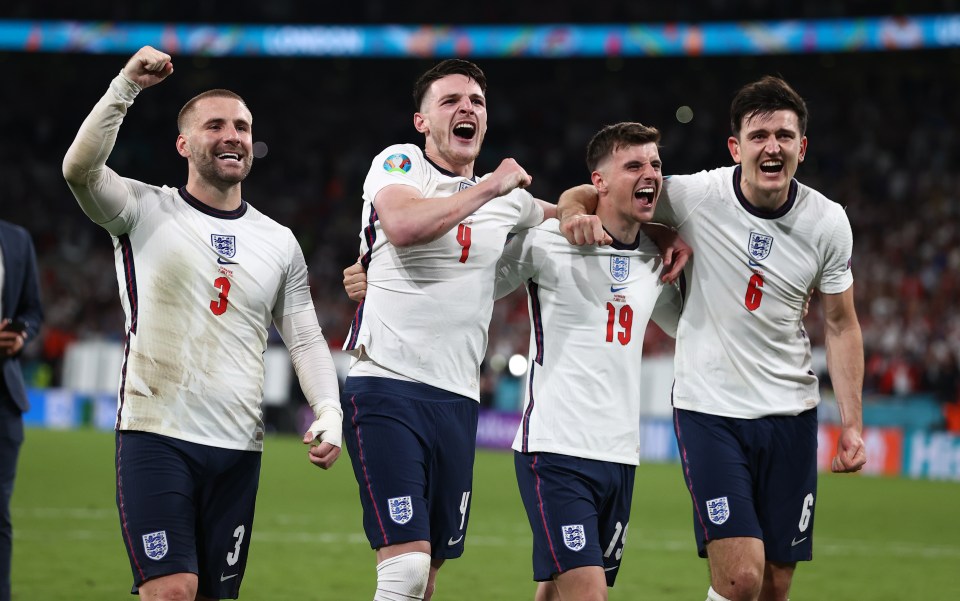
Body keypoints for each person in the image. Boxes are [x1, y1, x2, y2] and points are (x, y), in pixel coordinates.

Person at [557, 76, 866, 601]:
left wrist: (853, 424)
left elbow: (841, 324)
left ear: (802, 148)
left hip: (791, 412)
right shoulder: (698, 195)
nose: (773, 147)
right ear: (736, 147)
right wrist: (571, 212)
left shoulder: (828, 222)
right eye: (759, 135)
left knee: (775, 581)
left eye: (785, 137)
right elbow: (602, 190)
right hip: (710, 410)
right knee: (740, 576)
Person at [62, 46, 342, 601]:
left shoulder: (278, 241)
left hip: (239, 448)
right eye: (215, 125)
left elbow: (305, 336)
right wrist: (126, 86)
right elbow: (79, 169)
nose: (232, 134)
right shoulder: (141, 209)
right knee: (172, 590)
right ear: (184, 144)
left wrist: (329, 409)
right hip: (156, 433)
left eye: (242, 125)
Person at [340, 58, 561, 601]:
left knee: (429, 574)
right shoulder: (401, 163)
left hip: (458, 399)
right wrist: (490, 188)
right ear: (422, 120)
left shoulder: (505, 198)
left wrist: (651, 227)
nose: (467, 109)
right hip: (387, 384)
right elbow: (403, 225)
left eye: (477, 103)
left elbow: (569, 212)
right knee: (405, 570)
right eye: (451, 101)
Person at [495, 122, 682, 601]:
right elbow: (475, 283)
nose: (650, 174)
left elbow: (689, 326)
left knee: (557, 592)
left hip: (620, 454)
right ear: (599, 182)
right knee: (588, 595)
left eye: (655, 165)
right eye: (634, 165)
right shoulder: (546, 242)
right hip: (556, 449)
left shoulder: (656, 260)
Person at [0, 219, 43, 601]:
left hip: (4, 396)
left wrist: (21, 335)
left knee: (0, 513)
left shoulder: (16, 238)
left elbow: (32, 310)